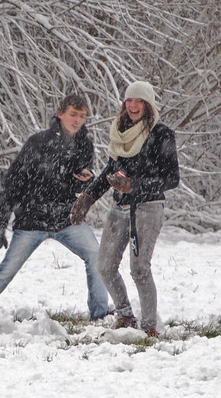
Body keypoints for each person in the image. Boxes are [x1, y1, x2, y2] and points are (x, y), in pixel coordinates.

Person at [0, 93, 111, 319]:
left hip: (66, 218)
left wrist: (86, 179)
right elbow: (14, 181)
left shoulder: (84, 145)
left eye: (82, 116)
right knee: (5, 272)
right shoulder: (38, 142)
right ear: (60, 114)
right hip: (32, 219)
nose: (77, 120)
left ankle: (100, 313)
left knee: (96, 257)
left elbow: (74, 182)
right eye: (73, 114)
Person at [71, 80, 179, 337]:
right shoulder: (120, 133)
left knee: (140, 269)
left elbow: (172, 178)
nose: (133, 105)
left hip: (148, 208)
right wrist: (89, 196)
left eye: (139, 101)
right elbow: (111, 170)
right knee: (105, 265)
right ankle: (125, 315)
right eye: (129, 100)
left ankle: (150, 326)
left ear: (148, 106)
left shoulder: (161, 134)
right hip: (119, 207)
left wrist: (136, 186)